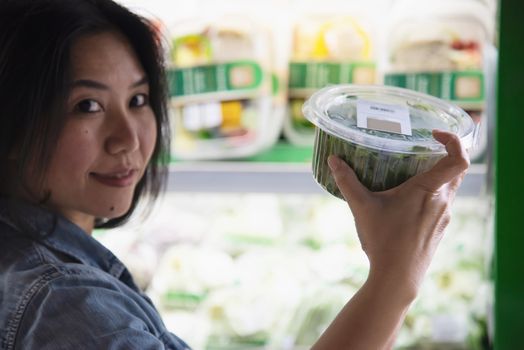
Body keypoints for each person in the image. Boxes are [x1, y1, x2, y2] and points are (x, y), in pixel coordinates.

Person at [0, 0, 469, 349]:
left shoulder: (36, 262)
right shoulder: (65, 304)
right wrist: (395, 278)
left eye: (139, 100)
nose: (128, 137)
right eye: (88, 105)